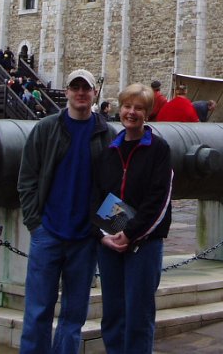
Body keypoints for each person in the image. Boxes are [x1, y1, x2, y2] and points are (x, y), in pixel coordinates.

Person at [17, 69, 112, 354]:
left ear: (94, 93)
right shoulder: (47, 128)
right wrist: (35, 223)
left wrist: (111, 230)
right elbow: (27, 178)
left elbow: (116, 186)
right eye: (75, 87)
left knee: (73, 316)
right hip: (48, 232)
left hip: (85, 238)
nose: (81, 93)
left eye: (86, 88)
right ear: (67, 91)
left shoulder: (107, 134)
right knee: (38, 311)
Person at [93, 83, 173, 354]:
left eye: (139, 108)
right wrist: (103, 236)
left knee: (139, 314)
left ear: (147, 113)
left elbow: (158, 199)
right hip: (110, 243)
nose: (132, 112)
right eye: (127, 106)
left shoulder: (159, 150)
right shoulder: (109, 151)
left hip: (144, 243)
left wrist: (130, 233)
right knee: (113, 313)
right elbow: (97, 195)